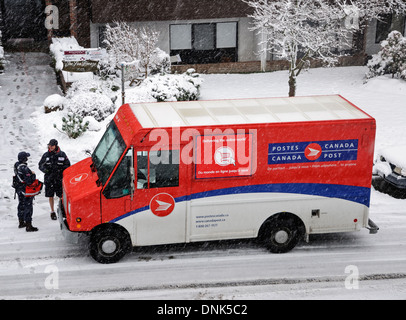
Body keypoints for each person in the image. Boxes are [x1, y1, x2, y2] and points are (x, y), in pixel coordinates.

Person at [38, 139, 70, 220]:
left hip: (59, 179)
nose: (50, 147)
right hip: (49, 179)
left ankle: (62, 210)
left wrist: (61, 171)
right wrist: (47, 170)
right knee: (50, 196)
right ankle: (52, 212)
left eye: (52, 145)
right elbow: (40, 165)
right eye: (49, 145)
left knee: (61, 196)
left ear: (56, 146)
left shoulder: (62, 154)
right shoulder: (46, 155)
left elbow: (67, 165)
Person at [14, 151, 39, 232]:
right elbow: (29, 181)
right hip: (25, 190)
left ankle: (21, 222)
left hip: (18, 188)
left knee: (21, 204)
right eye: (26, 157)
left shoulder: (16, 165)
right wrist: (33, 174)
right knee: (28, 206)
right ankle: (29, 225)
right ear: (24, 159)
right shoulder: (24, 168)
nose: (27, 158)